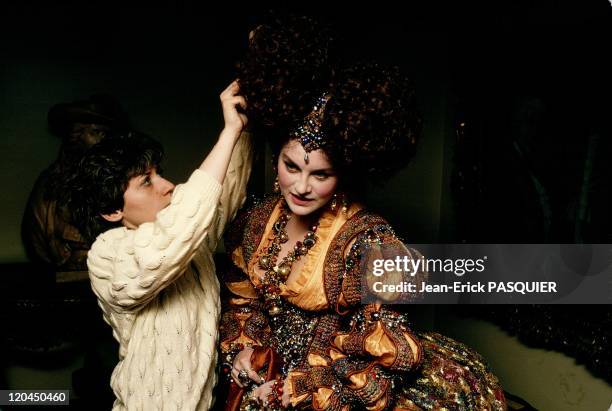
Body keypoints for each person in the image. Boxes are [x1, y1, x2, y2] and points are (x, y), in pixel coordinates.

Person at [217, 17, 507, 410]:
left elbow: (383, 359)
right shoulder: (257, 220)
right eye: (291, 167)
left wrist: (306, 386)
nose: (301, 186)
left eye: (321, 174)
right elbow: (244, 301)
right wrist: (244, 349)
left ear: (344, 174)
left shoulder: (369, 241)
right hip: (266, 384)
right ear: (276, 159)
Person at [66, 81, 252, 410]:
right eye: (146, 181)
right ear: (112, 211)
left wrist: (242, 126)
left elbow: (223, 191)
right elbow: (178, 229)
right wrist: (227, 132)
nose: (167, 186)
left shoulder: (189, 238)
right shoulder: (108, 255)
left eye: (159, 173)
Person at [22, 94, 130, 272]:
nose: (103, 139)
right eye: (95, 132)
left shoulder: (124, 183)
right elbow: (39, 237)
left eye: (106, 133)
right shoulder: (49, 186)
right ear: (75, 136)